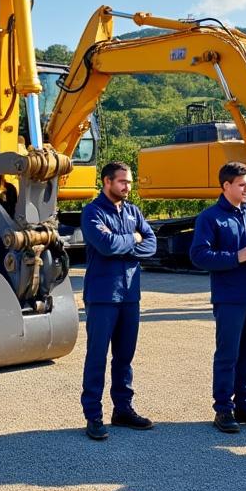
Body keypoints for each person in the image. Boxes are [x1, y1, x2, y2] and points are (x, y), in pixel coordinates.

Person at [191, 161, 246, 433]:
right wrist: (236, 257)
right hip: (229, 298)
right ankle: (224, 409)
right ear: (226, 186)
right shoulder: (210, 218)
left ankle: (244, 405)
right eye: (242, 184)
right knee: (228, 355)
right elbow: (199, 255)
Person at [79, 161, 158, 441]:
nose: (128, 186)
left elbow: (151, 244)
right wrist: (132, 238)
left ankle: (122, 410)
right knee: (97, 356)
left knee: (124, 356)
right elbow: (106, 245)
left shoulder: (133, 211)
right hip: (103, 295)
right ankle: (93, 415)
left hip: (130, 296)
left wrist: (125, 244)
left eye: (130, 182)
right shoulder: (92, 212)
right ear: (107, 182)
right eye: (123, 181)